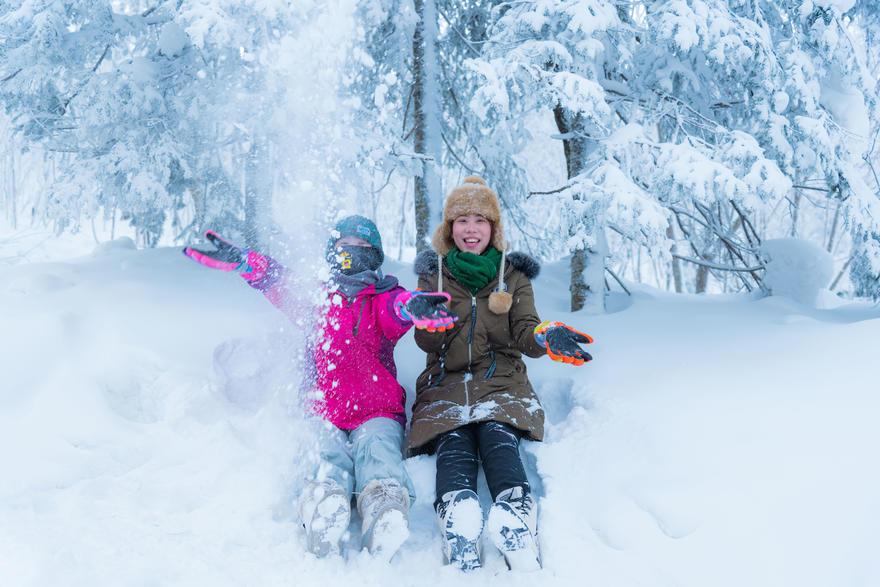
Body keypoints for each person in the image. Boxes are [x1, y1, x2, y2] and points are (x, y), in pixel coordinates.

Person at [183, 215, 456, 560]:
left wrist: (411, 306)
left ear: (375, 255)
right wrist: (245, 262)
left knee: (377, 451)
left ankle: (384, 508)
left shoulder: (383, 297)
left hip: (376, 410)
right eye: (344, 247)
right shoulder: (317, 299)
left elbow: (397, 310)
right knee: (323, 455)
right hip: (323, 408)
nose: (353, 254)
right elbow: (279, 283)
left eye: (362, 248)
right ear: (332, 253)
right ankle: (324, 507)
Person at [410, 177, 594, 571]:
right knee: (453, 438)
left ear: (494, 228)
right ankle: (458, 518)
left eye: (480, 219)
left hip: (502, 383)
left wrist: (546, 336)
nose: (471, 229)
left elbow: (526, 331)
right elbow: (425, 345)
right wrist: (425, 324)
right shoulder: (434, 276)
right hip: (445, 385)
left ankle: (515, 513)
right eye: (462, 220)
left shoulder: (513, 276)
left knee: (497, 434)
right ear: (449, 228)